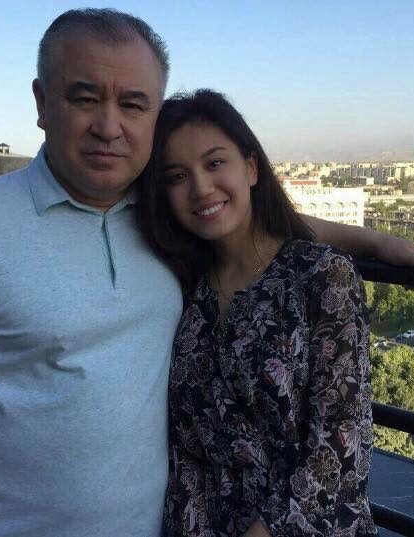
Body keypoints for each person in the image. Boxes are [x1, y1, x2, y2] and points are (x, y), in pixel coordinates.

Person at [0, 9, 414, 537]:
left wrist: (377, 242)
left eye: (134, 104)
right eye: (84, 98)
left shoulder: (162, 218)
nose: (108, 126)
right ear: (42, 103)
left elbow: (247, 220)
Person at [138, 89, 377, 536]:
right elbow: (187, 449)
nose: (200, 188)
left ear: (250, 168)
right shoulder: (183, 287)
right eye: (177, 176)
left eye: (214, 163)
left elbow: (341, 444)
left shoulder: (321, 278)